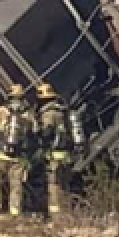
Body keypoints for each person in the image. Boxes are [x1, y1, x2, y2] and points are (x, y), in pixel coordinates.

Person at [0, 84, 37, 216]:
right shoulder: (29, 113)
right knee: (16, 185)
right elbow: (34, 134)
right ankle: (15, 212)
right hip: (18, 158)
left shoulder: (1, 110)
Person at [36, 83, 72, 215]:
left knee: (54, 186)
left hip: (54, 156)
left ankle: (56, 216)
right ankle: (66, 212)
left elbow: (47, 133)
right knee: (64, 185)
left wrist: (38, 133)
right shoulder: (62, 111)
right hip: (65, 155)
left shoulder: (48, 114)